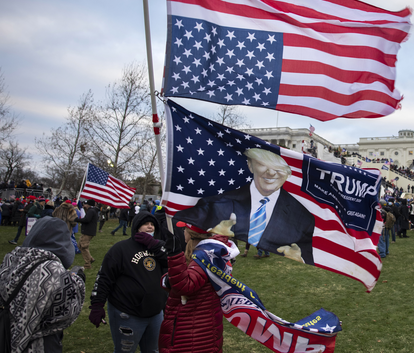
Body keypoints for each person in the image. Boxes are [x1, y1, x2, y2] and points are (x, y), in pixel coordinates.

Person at [173, 148, 315, 264]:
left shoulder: (303, 217)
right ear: (250, 165)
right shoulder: (216, 203)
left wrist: (300, 259)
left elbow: (310, 256)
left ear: (288, 173)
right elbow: (182, 216)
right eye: (262, 163)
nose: (271, 173)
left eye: (279, 168)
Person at [0, 217, 86, 352]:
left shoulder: (12, 258)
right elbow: (65, 313)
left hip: (5, 333)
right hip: (36, 343)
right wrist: (77, 280)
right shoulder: (53, 270)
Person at [88, 211, 169, 353]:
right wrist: (97, 305)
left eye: (152, 224)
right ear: (137, 226)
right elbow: (104, 278)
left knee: (154, 350)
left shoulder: (158, 247)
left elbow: (174, 261)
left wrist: (154, 244)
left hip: (156, 313)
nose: (150, 227)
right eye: (145, 224)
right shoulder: (120, 249)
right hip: (127, 313)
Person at [159, 222, 238, 353]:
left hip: (192, 333)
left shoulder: (203, 258)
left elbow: (185, 287)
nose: (183, 232)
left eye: (184, 229)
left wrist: (174, 256)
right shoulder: (211, 255)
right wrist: (168, 280)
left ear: (190, 234)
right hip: (203, 326)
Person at [75, 199, 99, 270]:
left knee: (83, 246)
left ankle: (87, 264)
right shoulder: (91, 211)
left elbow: (87, 220)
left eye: (85, 204)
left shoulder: (91, 211)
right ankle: (90, 258)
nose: (84, 205)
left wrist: (77, 220)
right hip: (87, 231)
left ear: (88, 205)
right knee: (79, 244)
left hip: (88, 231)